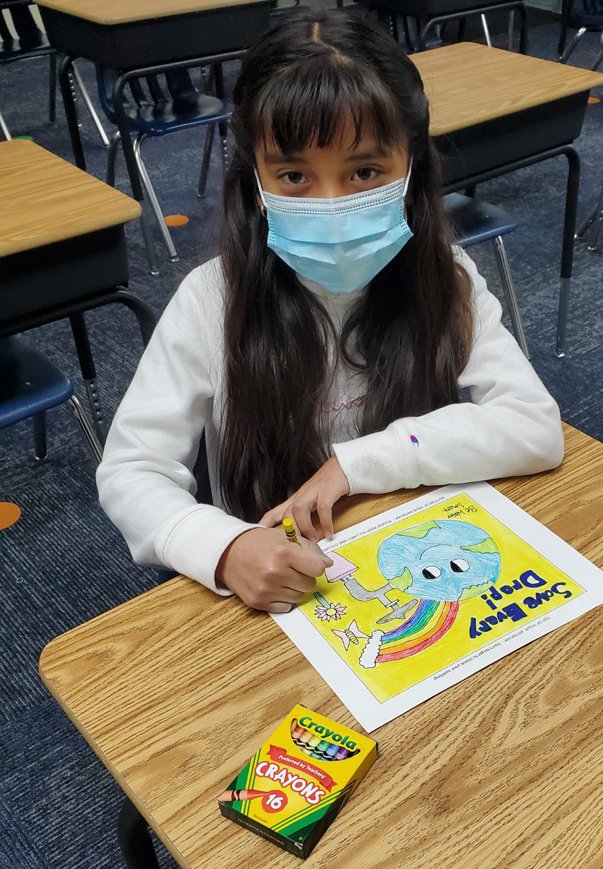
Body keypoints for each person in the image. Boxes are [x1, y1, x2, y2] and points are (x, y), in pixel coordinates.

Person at [96, 8, 564, 614]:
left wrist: (358, 462)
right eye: (293, 175)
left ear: (410, 165)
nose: (333, 205)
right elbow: (132, 470)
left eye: (364, 171)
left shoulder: (444, 278)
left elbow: (533, 426)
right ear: (256, 182)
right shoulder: (211, 301)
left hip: (410, 552)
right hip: (274, 586)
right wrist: (224, 546)